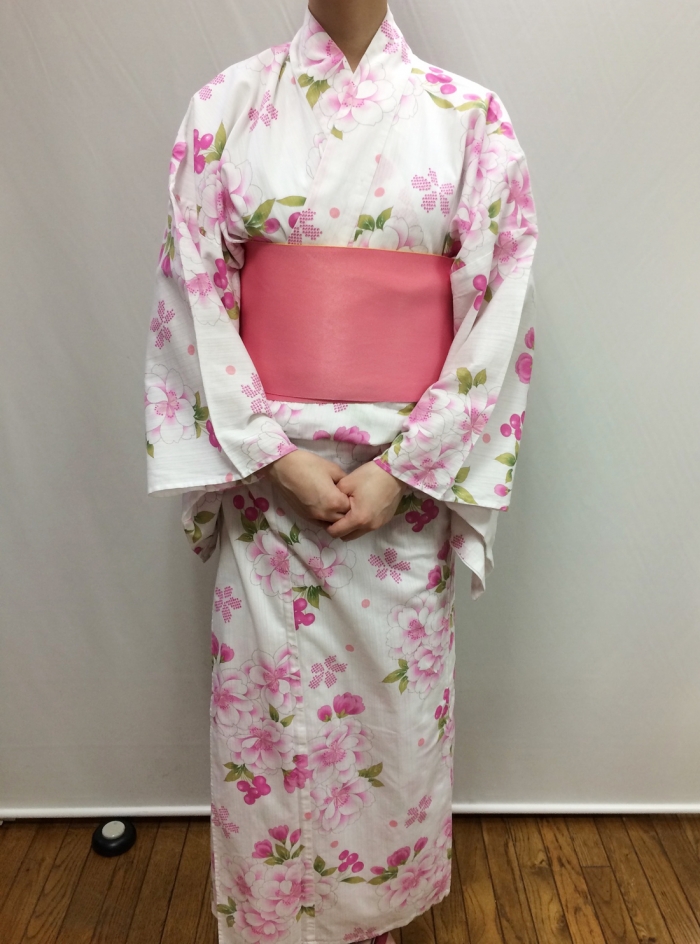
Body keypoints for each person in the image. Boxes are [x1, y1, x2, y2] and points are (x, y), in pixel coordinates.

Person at [144, 1, 538, 941]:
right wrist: (272, 457)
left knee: (393, 725)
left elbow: (499, 306)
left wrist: (407, 469)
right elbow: (194, 297)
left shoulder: (467, 117)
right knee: (269, 723)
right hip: (270, 490)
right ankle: (275, 920)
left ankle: (375, 916)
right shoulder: (226, 108)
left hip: (404, 491)